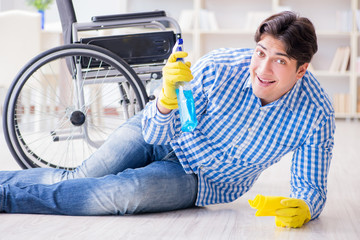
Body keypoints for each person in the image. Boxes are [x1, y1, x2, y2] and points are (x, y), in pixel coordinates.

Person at [0, 11, 334, 228]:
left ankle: (6, 199)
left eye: (279, 61)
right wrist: (166, 100)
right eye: (260, 53)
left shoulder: (315, 114)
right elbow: (159, 133)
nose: (262, 69)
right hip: (158, 130)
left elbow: (311, 188)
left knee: (119, 193)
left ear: (301, 69)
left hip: (199, 178)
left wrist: (304, 206)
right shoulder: (219, 67)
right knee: (84, 174)